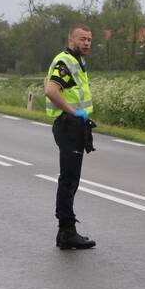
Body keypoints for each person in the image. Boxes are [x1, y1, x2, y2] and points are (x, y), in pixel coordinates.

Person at [44, 25, 97, 250]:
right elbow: (51, 90)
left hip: (75, 126)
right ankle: (66, 232)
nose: (86, 43)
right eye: (82, 39)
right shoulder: (65, 61)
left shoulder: (77, 62)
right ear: (71, 39)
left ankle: (64, 232)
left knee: (71, 179)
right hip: (68, 125)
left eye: (89, 39)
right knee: (68, 179)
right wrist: (73, 112)